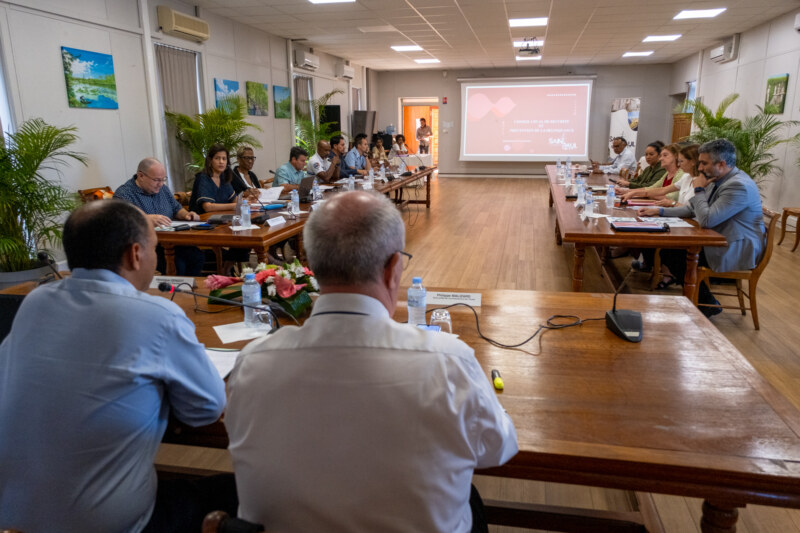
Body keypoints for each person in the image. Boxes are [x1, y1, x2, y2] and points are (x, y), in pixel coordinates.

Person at [226, 191, 518, 533]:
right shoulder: (449, 364)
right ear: (395, 268)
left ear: (312, 267)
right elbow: (497, 449)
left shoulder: (252, 363)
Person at [0, 200, 231, 533]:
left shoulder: (36, 302)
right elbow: (207, 409)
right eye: (155, 247)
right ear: (135, 254)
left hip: (14, 519)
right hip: (113, 525)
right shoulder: (157, 316)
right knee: (232, 490)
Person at [638, 139, 765, 316]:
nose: (700, 168)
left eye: (704, 163)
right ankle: (701, 300)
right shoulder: (717, 178)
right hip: (719, 238)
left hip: (735, 246)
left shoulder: (738, 186)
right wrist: (659, 211)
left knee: (674, 252)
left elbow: (707, 220)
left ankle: (705, 304)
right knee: (670, 250)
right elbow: (692, 208)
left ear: (721, 164)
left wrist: (698, 190)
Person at [114, 157, 204, 275]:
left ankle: (190, 291)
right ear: (141, 176)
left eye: (163, 180)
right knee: (178, 264)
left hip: (171, 241)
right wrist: (146, 218)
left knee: (197, 256)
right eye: (156, 180)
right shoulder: (124, 194)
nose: (160, 184)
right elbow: (122, 221)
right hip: (146, 247)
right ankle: (174, 292)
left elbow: (176, 208)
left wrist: (187, 215)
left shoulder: (163, 189)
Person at [623, 144, 699, 208]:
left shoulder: (684, 174)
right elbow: (658, 190)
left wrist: (647, 194)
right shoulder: (685, 177)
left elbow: (671, 197)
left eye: (665, 155)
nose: (660, 159)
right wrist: (630, 192)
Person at [189, 144, 237, 214]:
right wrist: (233, 206)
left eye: (224, 159)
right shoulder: (203, 177)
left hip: (220, 217)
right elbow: (208, 207)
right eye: (217, 158)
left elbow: (235, 200)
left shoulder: (223, 177)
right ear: (210, 160)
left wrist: (247, 201)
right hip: (201, 220)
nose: (221, 162)